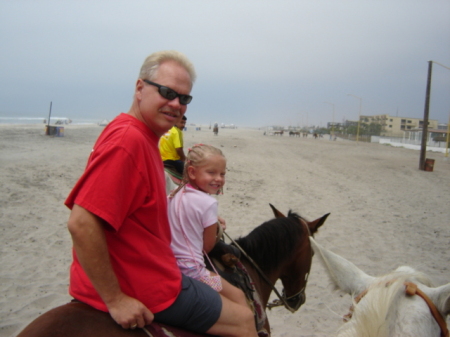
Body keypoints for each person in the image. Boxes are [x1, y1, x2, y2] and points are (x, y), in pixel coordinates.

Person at [65, 50, 257, 337]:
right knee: (243, 318)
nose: (176, 104)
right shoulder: (128, 142)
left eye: (184, 98)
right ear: (140, 88)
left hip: (143, 270)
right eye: (167, 92)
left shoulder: (138, 134)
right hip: (147, 284)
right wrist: (116, 300)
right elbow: (81, 223)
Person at [168, 144, 252, 314]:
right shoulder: (209, 203)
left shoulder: (174, 194)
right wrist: (215, 228)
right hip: (194, 271)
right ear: (192, 172)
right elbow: (207, 247)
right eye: (211, 173)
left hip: (169, 262)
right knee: (238, 297)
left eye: (222, 174)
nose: (219, 179)